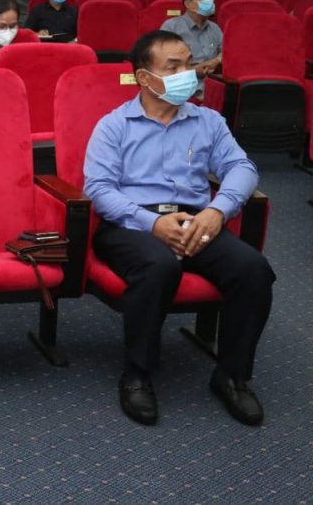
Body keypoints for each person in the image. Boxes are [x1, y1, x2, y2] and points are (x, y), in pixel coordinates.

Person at [84, 30, 275, 427]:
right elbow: (99, 191)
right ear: (144, 77)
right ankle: (137, 375)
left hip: (196, 218)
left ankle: (232, 377)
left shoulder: (208, 121)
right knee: (159, 266)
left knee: (253, 270)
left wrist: (218, 211)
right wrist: (152, 223)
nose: (187, 73)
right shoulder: (114, 126)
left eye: (188, 64)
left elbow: (242, 168)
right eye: (173, 67)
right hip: (131, 223)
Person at [159, 0, 222, 89]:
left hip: (212, 84)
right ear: (188, 4)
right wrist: (192, 71)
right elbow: (162, 63)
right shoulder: (171, 27)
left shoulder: (214, 28)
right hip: (182, 85)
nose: (209, 2)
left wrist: (216, 60)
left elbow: (226, 52)